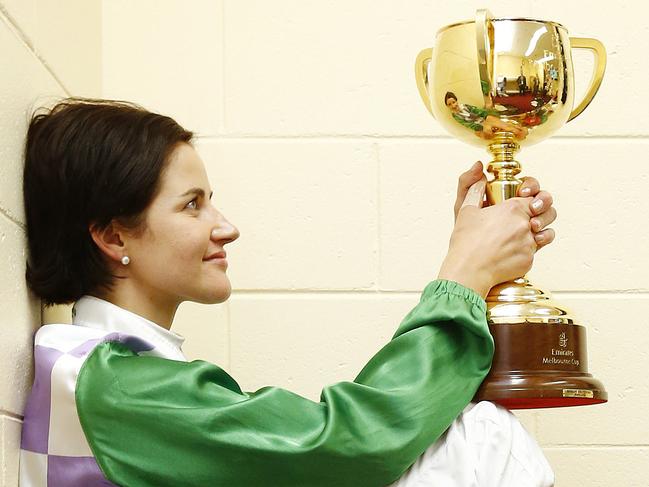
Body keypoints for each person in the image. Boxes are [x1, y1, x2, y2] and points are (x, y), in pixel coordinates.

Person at [19, 99, 556, 486]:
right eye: (191, 205)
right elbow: (344, 443)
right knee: (485, 436)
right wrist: (463, 276)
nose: (225, 226)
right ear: (114, 236)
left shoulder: (111, 372)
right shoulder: (109, 385)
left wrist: (474, 259)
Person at [444, 92, 528, 141]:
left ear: (456, 101)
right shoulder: (456, 116)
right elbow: (469, 125)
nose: (453, 105)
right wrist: (483, 124)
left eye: (453, 102)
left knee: (490, 119)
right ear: (448, 106)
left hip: (484, 120)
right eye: (450, 104)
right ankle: (515, 130)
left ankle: (514, 129)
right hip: (479, 127)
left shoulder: (465, 106)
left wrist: (486, 116)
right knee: (489, 128)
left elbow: (479, 112)